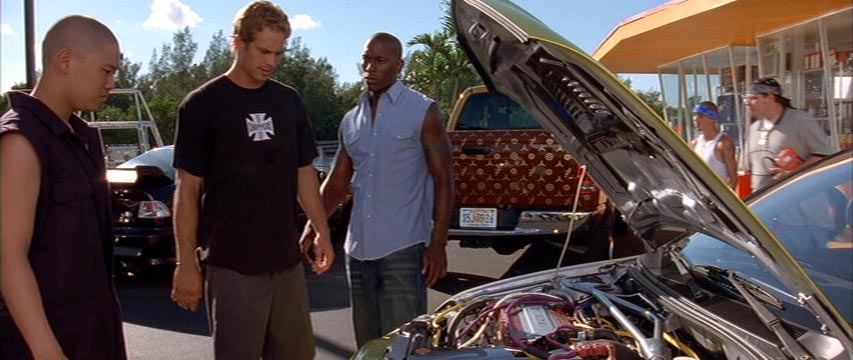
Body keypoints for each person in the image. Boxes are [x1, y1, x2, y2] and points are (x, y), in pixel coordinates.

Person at [169, 1, 334, 359]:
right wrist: (186, 264)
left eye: (279, 53)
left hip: (285, 261)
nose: (271, 62)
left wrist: (321, 230)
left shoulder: (288, 101)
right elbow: (188, 189)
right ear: (238, 43)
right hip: (232, 264)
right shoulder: (202, 105)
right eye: (264, 51)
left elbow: (303, 172)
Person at [302, 32, 453, 347]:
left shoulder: (422, 110)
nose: (370, 67)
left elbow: (444, 180)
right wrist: (314, 227)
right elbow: (338, 181)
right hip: (357, 250)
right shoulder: (351, 119)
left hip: (404, 247)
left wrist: (438, 243)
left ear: (399, 66)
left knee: (403, 346)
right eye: (366, 59)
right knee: (369, 346)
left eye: (380, 61)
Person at [0, 15, 127, 359]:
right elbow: (8, 256)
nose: (111, 83)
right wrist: (46, 349)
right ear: (66, 60)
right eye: (106, 70)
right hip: (49, 343)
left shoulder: (80, 139)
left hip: (93, 335)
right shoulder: (20, 141)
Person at [745, 77, 834, 192]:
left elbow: (823, 154)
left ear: (771, 97)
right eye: (746, 99)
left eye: (754, 98)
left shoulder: (799, 119)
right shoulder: (754, 128)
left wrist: (792, 174)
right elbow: (748, 168)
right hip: (764, 202)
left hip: (798, 197)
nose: (748, 104)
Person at [690, 101, 738, 188]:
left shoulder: (723, 143)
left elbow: (733, 179)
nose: (695, 119)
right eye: (695, 115)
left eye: (700, 116)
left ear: (712, 118)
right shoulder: (695, 143)